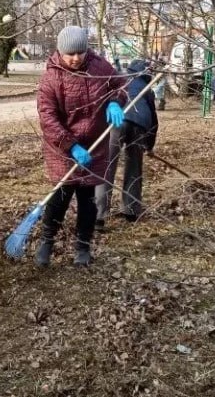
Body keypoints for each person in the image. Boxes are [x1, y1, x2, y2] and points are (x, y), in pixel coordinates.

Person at [36, 26, 126, 267]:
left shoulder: (100, 66)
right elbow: (48, 118)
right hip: (63, 148)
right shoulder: (51, 78)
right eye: (71, 54)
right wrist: (71, 146)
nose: (76, 58)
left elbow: (119, 85)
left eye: (81, 52)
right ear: (60, 51)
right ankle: (47, 241)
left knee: (88, 199)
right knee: (60, 198)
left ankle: (83, 247)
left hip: (94, 146)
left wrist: (115, 102)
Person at [95, 59, 159, 229]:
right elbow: (154, 121)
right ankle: (131, 210)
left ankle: (98, 215)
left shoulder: (121, 80)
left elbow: (104, 102)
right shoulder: (147, 89)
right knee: (134, 166)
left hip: (117, 122)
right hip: (140, 125)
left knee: (106, 166)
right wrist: (149, 146)